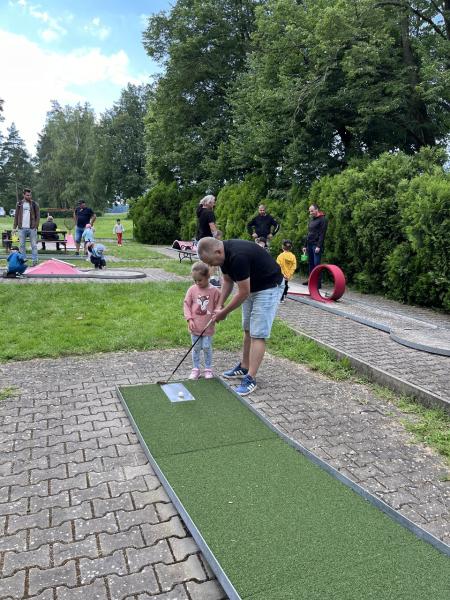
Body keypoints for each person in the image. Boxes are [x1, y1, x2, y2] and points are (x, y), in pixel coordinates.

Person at [198, 237, 283, 396]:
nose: (211, 265)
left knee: (258, 333)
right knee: (248, 329)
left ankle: (251, 378)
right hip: (252, 287)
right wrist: (219, 306)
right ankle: (244, 367)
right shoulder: (223, 257)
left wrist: (224, 312)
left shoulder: (238, 257)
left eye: (210, 261)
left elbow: (243, 292)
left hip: (269, 287)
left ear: (218, 251)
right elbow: (227, 281)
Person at [183, 261, 221, 380]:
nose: (197, 283)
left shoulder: (215, 291)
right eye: (195, 280)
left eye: (200, 280)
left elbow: (220, 306)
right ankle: (196, 369)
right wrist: (189, 319)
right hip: (195, 327)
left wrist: (217, 314)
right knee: (196, 348)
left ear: (207, 276)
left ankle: (208, 369)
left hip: (208, 327)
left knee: (206, 347)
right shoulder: (192, 289)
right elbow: (186, 305)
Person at [302, 204, 328, 286]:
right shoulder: (312, 219)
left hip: (316, 245)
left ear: (317, 210)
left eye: (312, 211)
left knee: (317, 264)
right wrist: (305, 245)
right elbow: (308, 233)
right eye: (310, 211)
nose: (310, 213)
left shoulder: (323, 219)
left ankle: (317, 283)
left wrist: (319, 246)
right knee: (311, 263)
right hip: (309, 244)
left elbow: (322, 234)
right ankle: (311, 281)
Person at [13, 188, 40, 266]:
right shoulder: (19, 204)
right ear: (24, 195)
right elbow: (16, 216)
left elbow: (38, 216)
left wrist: (36, 226)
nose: (29, 196)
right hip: (21, 228)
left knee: (34, 245)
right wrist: (14, 227)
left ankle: (35, 261)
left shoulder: (34, 204)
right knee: (22, 246)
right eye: (27, 195)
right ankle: (23, 261)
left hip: (32, 228)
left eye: (30, 195)